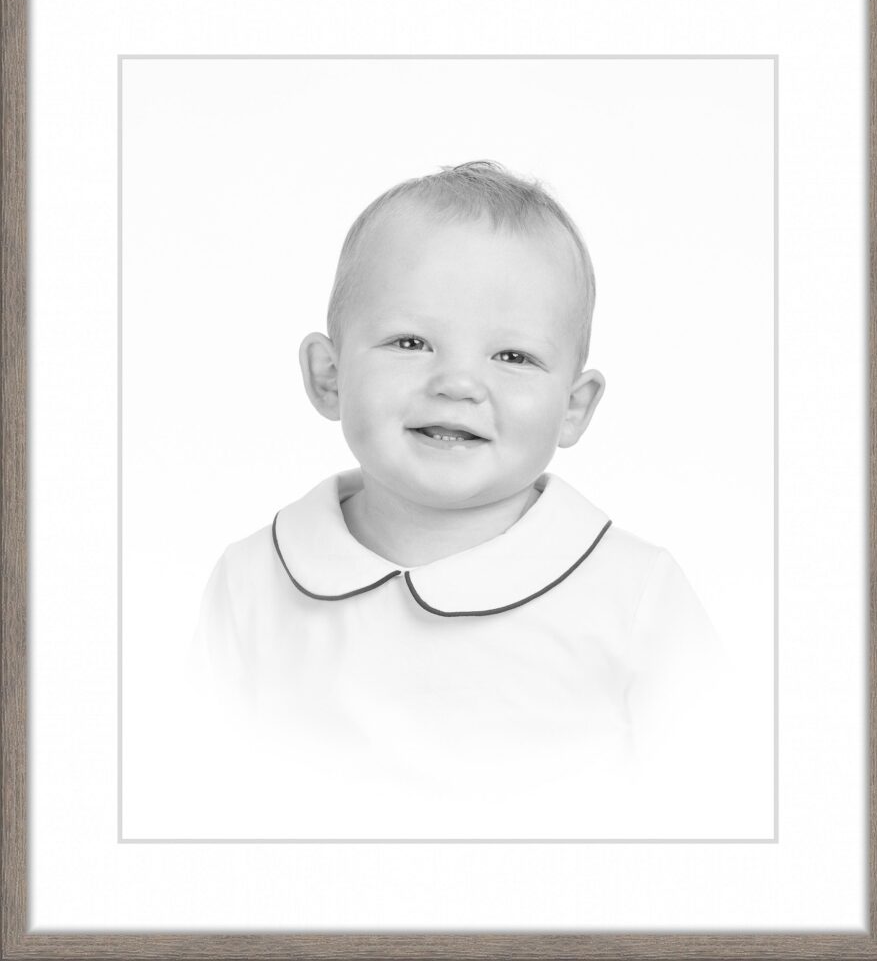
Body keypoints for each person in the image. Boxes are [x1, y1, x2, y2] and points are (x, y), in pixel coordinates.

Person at [190, 161, 731, 839]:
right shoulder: (254, 580)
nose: (458, 383)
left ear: (574, 407)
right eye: (411, 342)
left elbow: (717, 804)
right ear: (329, 377)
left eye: (513, 357)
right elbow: (200, 797)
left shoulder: (636, 593)